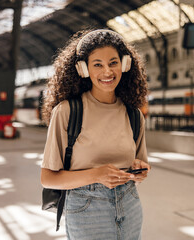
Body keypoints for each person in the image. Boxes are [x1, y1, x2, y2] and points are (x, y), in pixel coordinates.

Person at [40, 29, 150, 240]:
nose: (107, 71)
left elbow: (139, 163)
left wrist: (140, 169)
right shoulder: (67, 111)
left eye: (113, 62)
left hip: (129, 204)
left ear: (125, 64)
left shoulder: (134, 115)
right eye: (97, 64)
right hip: (86, 209)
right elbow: (48, 178)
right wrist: (97, 175)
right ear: (83, 69)